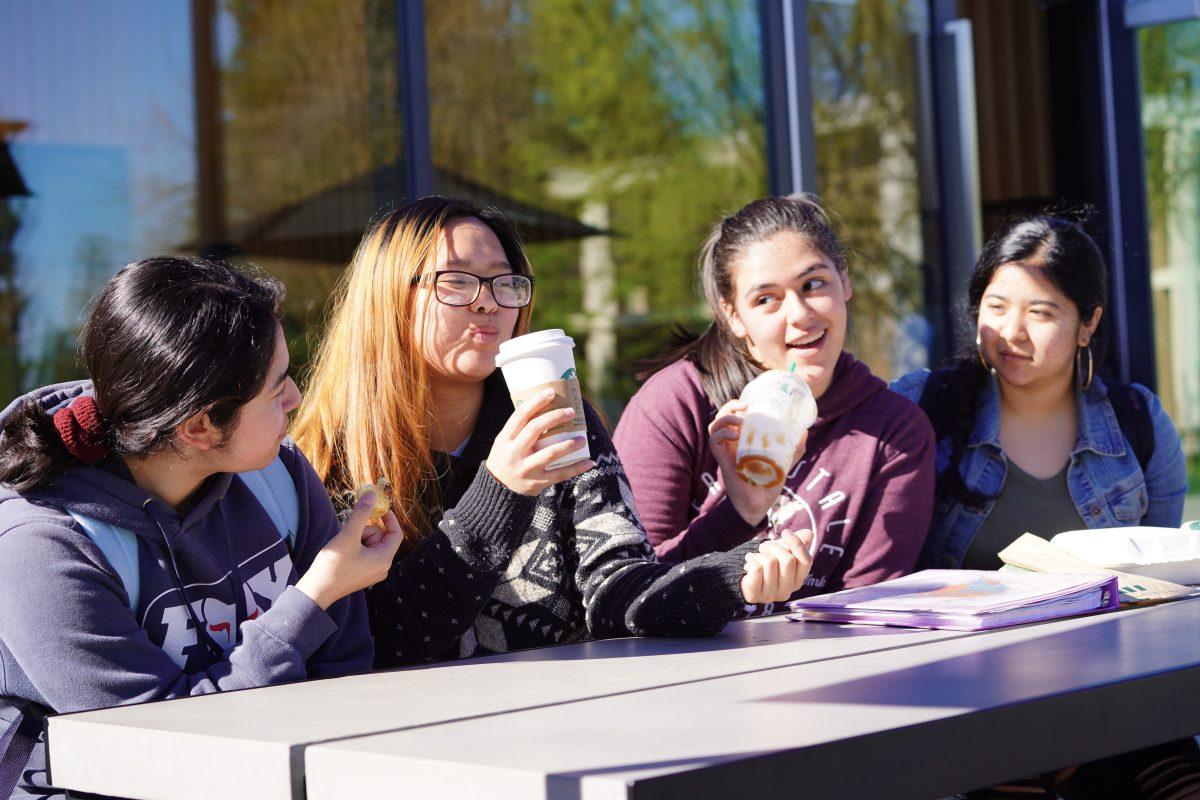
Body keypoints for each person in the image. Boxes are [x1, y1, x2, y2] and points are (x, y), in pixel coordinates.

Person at [291, 195, 812, 667]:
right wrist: (500, 492)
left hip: (560, 728)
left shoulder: (559, 416)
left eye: (504, 282)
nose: (487, 301)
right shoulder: (330, 456)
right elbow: (374, 639)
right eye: (455, 281)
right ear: (388, 299)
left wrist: (728, 576)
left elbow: (615, 593)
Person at [0, 257, 403, 800]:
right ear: (199, 426)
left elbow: (344, 673)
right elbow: (163, 749)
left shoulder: (278, 473)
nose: (296, 400)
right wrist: (314, 595)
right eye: (276, 387)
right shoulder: (42, 545)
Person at [892, 214, 1196, 800]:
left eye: (1042, 312)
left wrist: (1081, 724)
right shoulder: (921, 409)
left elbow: (1163, 605)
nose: (1012, 331)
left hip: (1112, 713)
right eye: (996, 306)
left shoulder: (1139, 427)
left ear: (1088, 324)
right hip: (960, 710)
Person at [612, 194, 935, 605]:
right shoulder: (676, 403)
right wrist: (740, 513)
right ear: (732, 315)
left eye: (813, 284)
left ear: (845, 282)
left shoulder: (895, 430)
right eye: (766, 299)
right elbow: (628, 592)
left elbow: (871, 610)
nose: (799, 314)